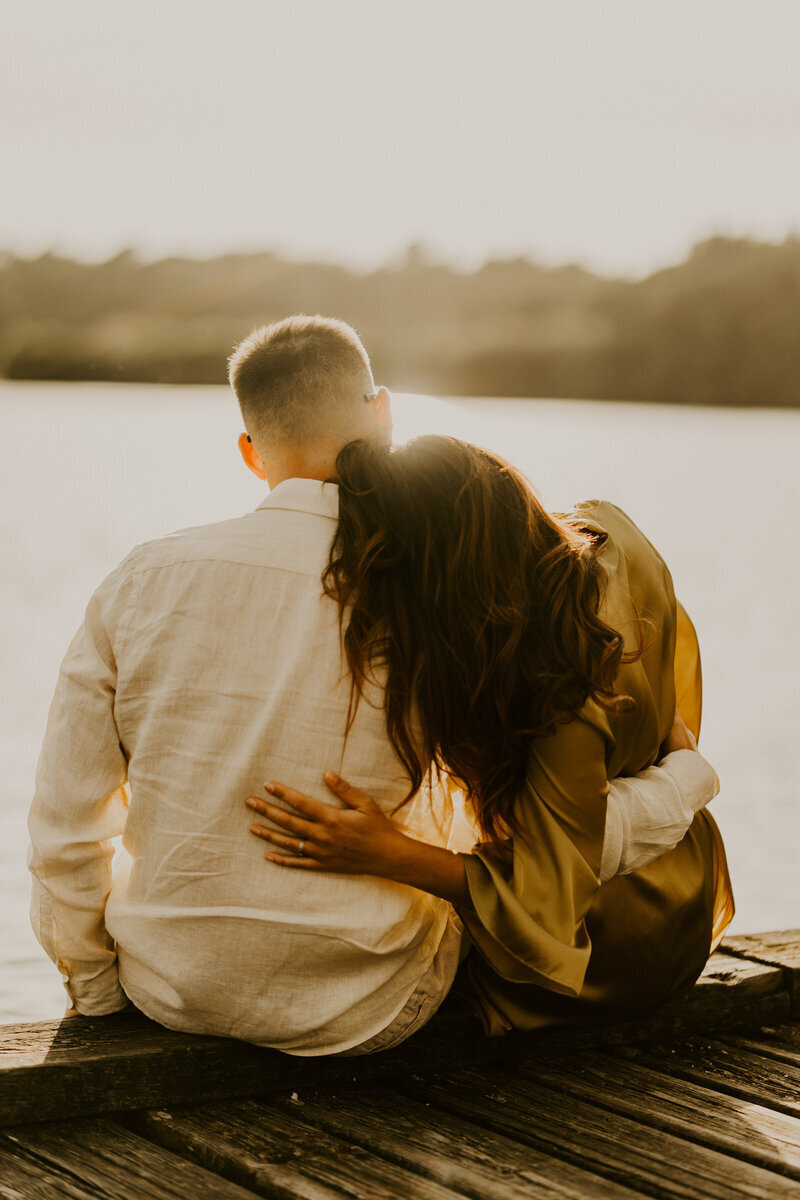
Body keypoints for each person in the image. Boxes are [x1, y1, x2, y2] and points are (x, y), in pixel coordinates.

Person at [29, 316, 722, 1054]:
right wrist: (686, 781)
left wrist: (101, 998)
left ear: (248, 452)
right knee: (493, 820)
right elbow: (559, 846)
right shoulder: (449, 583)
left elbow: (67, 827)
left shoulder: (140, 579)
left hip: (171, 990)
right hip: (368, 1005)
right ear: (384, 413)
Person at [246, 434, 735, 1035]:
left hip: (602, 953)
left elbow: (544, 909)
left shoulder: (557, 691)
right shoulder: (609, 533)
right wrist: (683, 770)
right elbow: (675, 685)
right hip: (682, 892)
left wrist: (385, 852)